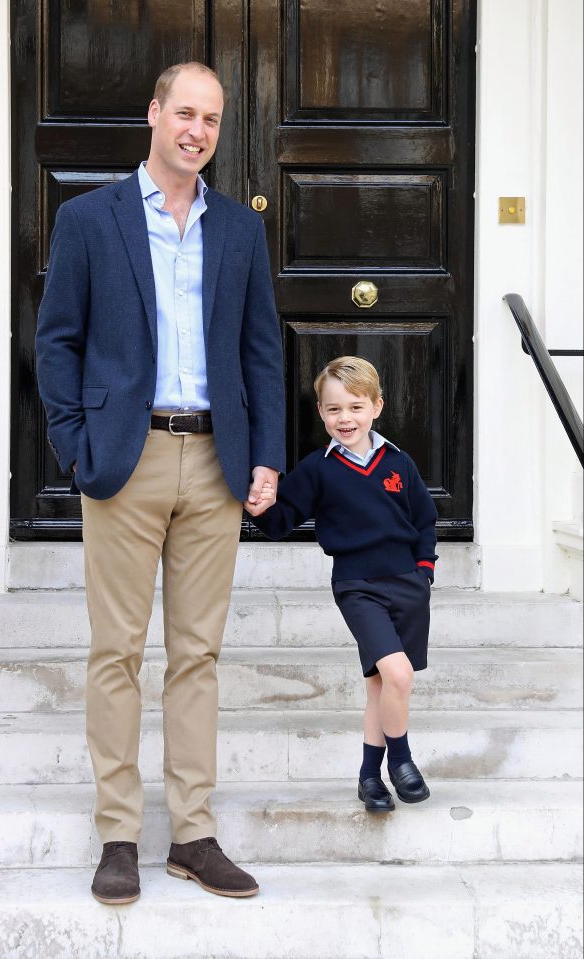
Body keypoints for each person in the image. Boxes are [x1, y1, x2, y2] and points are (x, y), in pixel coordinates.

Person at [36, 61, 285, 904]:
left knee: (197, 654)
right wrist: (75, 447)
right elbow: (57, 340)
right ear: (153, 112)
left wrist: (267, 455)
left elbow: (262, 350)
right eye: (185, 112)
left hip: (216, 461)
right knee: (116, 651)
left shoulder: (241, 230)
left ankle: (192, 832)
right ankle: (116, 832)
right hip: (125, 457)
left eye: (212, 119)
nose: (198, 131)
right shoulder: (88, 219)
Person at [247, 356, 437, 813]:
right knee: (398, 675)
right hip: (357, 586)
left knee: (380, 685)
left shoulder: (398, 462)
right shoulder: (317, 469)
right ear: (321, 413)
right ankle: (402, 761)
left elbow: (425, 520)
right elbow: (282, 521)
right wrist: (259, 507)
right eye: (334, 410)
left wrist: (425, 573)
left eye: (355, 407)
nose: (345, 418)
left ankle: (369, 777)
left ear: (377, 407)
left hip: (408, 585)